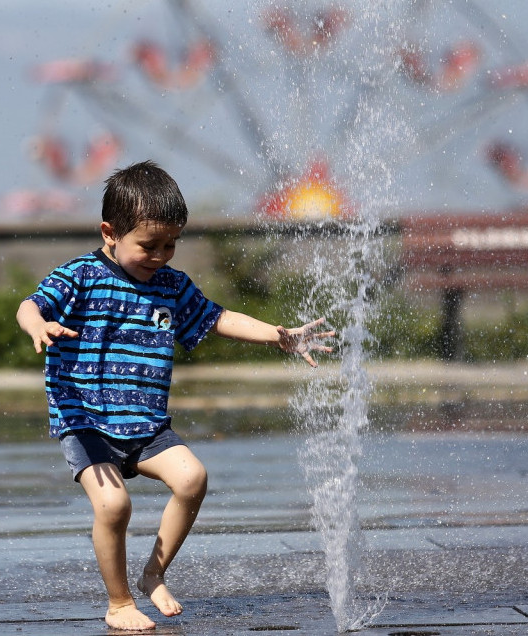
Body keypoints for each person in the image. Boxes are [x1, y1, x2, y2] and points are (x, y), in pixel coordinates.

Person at [16, 160, 334, 631]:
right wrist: (37, 325)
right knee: (114, 506)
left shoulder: (171, 286)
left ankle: (153, 575)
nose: (160, 255)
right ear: (110, 232)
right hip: (86, 421)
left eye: (170, 244)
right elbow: (30, 305)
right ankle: (119, 602)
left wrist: (279, 336)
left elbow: (218, 317)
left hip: (146, 426)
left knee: (192, 478)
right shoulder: (80, 275)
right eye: (149, 245)